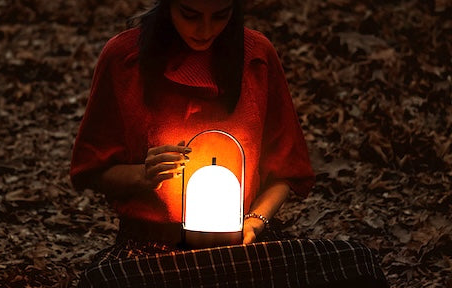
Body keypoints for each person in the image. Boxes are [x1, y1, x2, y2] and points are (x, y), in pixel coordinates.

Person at [70, 0, 387, 287]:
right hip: (153, 249)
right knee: (103, 282)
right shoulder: (123, 58)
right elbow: (93, 170)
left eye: (220, 16)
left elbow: (285, 172)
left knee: (356, 262)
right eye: (190, 15)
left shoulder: (256, 56)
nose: (205, 30)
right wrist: (143, 175)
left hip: (242, 243)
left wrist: (256, 221)